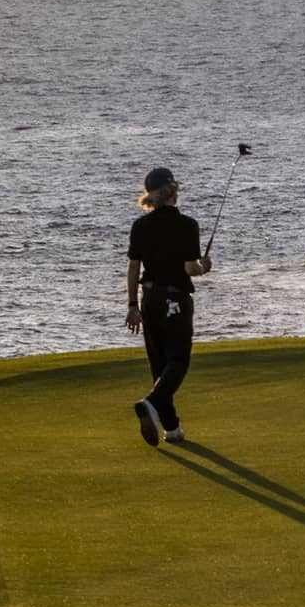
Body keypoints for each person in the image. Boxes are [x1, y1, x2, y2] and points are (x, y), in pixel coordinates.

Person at [126, 166, 211, 444]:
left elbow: (133, 268)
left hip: (148, 300)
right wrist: (204, 267)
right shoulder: (187, 225)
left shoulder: (140, 226)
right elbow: (190, 268)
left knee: (159, 365)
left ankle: (172, 428)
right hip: (176, 299)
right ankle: (151, 403)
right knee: (178, 361)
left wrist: (131, 306)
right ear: (173, 191)